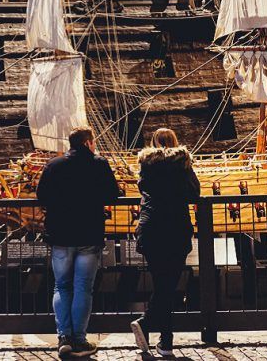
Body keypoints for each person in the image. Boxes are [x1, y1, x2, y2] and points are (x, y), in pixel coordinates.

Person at [36, 126, 120, 358]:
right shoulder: (99, 164)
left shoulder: (54, 165)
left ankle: (64, 337)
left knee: (61, 286)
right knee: (83, 287)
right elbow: (113, 194)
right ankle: (80, 340)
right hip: (89, 235)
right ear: (87, 143)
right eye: (93, 142)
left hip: (61, 235)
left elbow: (41, 195)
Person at [129, 128, 200, 357]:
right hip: (176, 229)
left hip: (152, 229)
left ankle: (163, 339)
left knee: (162, 284)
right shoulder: (182, 163)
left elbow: (142, 188)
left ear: (153, 143)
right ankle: (154, 331)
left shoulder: (147, 163)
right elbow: (194, 193)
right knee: (168, 286)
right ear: (175, 142)